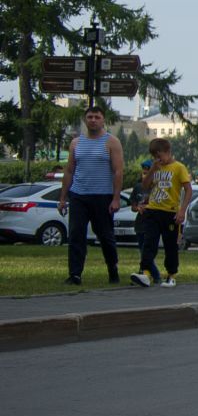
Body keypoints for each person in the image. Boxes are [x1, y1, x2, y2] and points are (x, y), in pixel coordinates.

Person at [57, 104, 123, 285]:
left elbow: (118, 171)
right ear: (85, 120)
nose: (93, 120)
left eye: (97, 117)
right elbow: (69, 171)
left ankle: (112, 269)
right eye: (90, 117)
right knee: (76, 234)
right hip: (78, 195)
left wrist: (116, 198)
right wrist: (63, 198)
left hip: (102, 196)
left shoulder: (112, 142)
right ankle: (75, 274)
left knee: (105, 236)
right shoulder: (76, 143)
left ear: (103, 120)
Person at [129, 139, 191, 288]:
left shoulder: (179, 168)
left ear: (168, 152)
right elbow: (144, 186)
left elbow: (188, 190)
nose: (158, 159)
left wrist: (182, 210)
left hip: (170, 212)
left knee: (170, 246)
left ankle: (171, 275)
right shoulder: (155, 168)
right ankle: (145, 273)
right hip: (153, 210)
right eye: (154, 157)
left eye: (160, 156)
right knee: (149, 243)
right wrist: (152, 170)